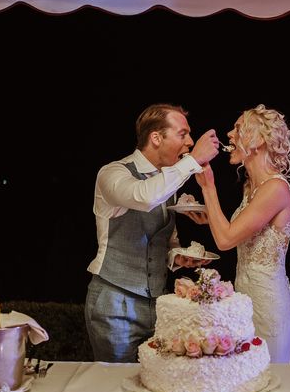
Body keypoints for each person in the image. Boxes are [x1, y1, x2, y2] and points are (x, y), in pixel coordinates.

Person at [85, 103, 219, 362]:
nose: (190, 142)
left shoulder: (168, 182)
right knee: (116, 387)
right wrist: (193, 161)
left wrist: (177, 257)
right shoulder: (113, 173)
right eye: (183, 134)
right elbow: (144, 197)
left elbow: (165, 241)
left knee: (154, 384)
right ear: (156, 138)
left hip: (158, 305)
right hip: (115, 304)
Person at [190, 104, 290, 363]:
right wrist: (209, 218)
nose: (230, 134)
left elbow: (226, 239)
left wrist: (208, 187)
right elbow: (241, 233)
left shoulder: (276, 189)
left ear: (260, 140)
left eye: (239, 128)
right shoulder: (251, 188)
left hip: (268, 305)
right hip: (245, 302)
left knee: (269, 383)